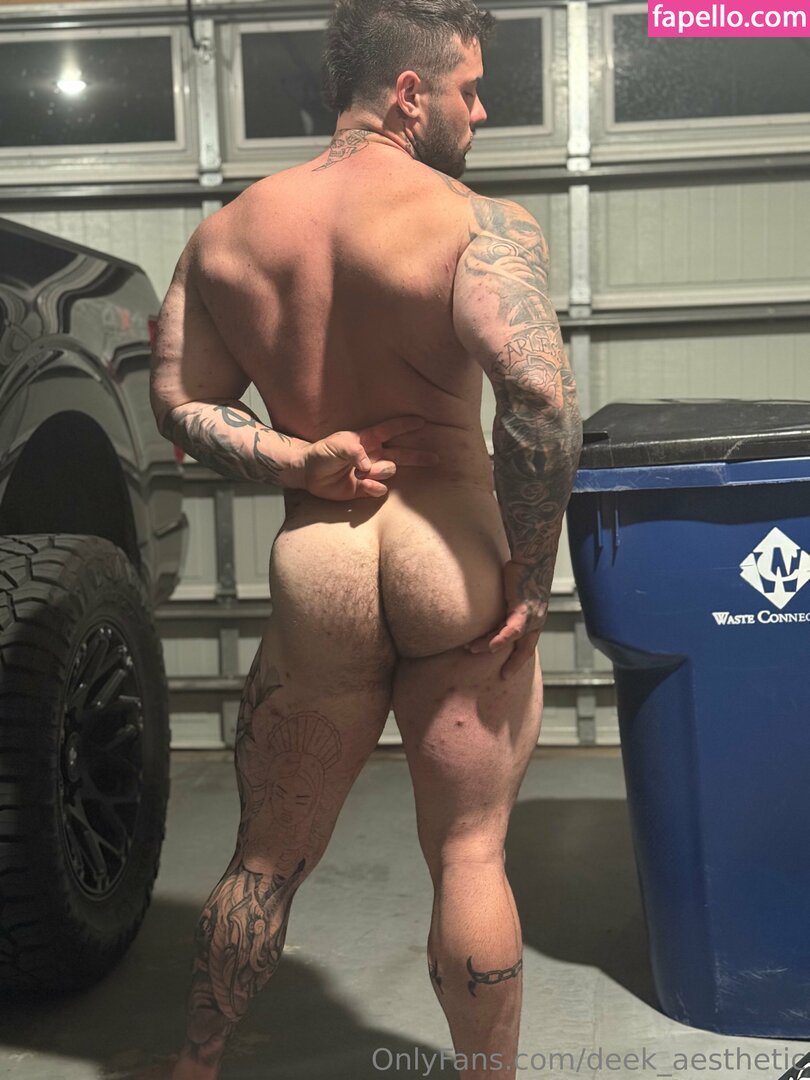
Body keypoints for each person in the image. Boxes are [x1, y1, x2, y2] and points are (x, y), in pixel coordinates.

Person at [147, 1, 582, 1077]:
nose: (481, 113)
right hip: (452, 550)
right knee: (470, 855)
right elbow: (538, 400)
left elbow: (179, 404)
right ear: (409, 94)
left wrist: (298, 461)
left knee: (264, 858)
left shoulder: (228, 234)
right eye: (470, 90)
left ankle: (193, 1064)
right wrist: (531, 575)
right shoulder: (478, 224)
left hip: (322, 562)